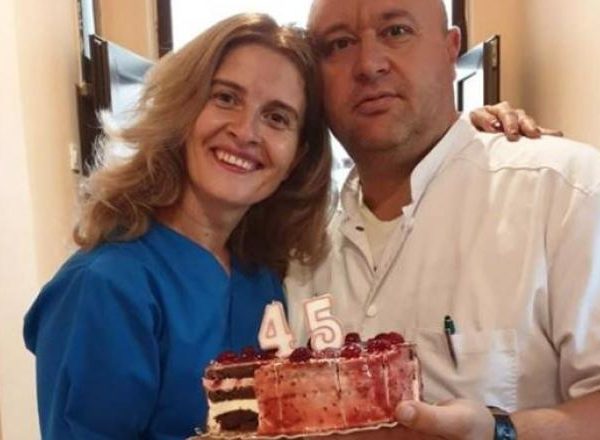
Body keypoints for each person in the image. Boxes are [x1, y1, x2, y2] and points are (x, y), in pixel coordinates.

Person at [285, 0, 600, 439]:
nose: (369, 65)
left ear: (451, 50)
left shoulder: (567, 191)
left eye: (396, 31)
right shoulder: (296, 244)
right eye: (339, 44)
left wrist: (501, 432)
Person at [23, 13, 333, 439]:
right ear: (183, 110)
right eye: (226, 98)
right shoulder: (105, 287)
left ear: (296, 157)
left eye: (277, 118)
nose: (246, 131)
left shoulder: (263, 279)